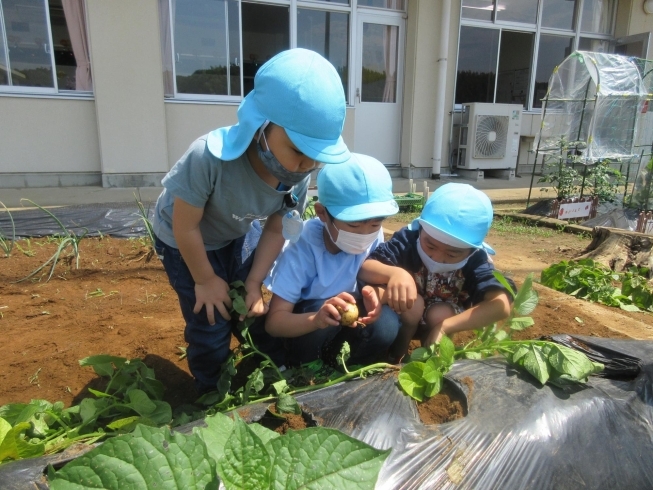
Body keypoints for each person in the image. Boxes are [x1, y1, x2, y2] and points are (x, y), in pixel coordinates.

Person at [152, 48, 350, 394]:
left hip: (237, 231)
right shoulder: (208, 158)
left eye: (316, 158)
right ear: (261, 124)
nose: (305, 166)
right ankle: (210, 390)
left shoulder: (297, 176)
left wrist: (256, 281)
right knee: (210, 316)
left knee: (252, 308)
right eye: (298, 151)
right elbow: (185, 227)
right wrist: (204, 279)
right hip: (185, 239)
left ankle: (270, 369)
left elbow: (276, 227)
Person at [264, 153, 401, 366]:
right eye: (353, 225)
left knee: (387, 324)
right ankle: (305, 367)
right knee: (322, 311)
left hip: (347, 323)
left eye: (375, 224)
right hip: (309, 327)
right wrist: (316, 320)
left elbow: (372, 282)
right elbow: (275, 323)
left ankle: (344, 365)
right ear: (322, 213)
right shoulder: (303, 246)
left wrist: (374, 294)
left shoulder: (375, 235)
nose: (364, 234)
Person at [359, 183, 514, 362]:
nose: (438, 257)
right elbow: (366, 267)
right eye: (430, 245)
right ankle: (398, 354)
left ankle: (432, 358)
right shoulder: (407, 241)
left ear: (471, 250)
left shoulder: (477, 260)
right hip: (405, 315)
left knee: (440, 314)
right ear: (421, 229)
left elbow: (501, 306)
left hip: (442, 317)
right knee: (413, 303)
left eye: (452, 254)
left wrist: (445, 327)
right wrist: (395, 274)